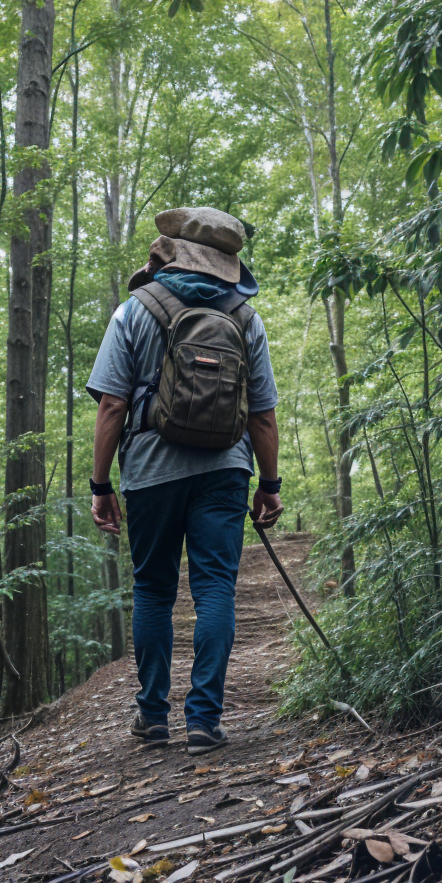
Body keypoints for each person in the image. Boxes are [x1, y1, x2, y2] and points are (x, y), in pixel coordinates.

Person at [86, 206, 281, 750]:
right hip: (226, 470)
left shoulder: (135, 310)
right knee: (215, 586)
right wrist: (270, 484)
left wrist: (101, 486)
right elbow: (262, 415)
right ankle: (204, 720)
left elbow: (111, 406)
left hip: (150, 469)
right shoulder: (246, 317)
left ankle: (152, 716)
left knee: (153, 588)